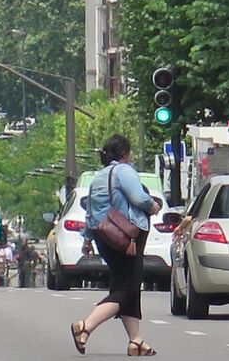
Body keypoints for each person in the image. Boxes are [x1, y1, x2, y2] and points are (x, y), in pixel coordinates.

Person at [70, 134, 160, 357]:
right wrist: (152, 206)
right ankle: (85, 326)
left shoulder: (97, 178)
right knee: (127, 289)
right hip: (127, 237)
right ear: (125, 154)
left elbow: (90, 212)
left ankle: (136, 341)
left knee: (125, 284)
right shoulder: (124, 171)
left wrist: (87, 239)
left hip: (104, 237)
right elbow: (138, 197)